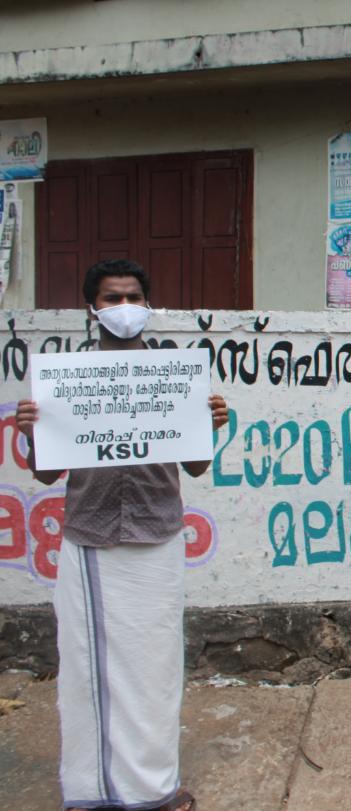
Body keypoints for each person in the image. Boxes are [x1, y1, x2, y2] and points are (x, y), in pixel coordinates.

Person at [15, 259, 228, 811]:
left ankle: (151, 790)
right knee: (88, 668)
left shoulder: (173, 376)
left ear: (148, 304)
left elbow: (198, 467)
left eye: (134, 295)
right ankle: (90, 792)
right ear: (92, 306)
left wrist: (210, 424)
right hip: (92, 538)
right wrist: (33, 430)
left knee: (154, 669)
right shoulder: (67, 380)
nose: (124, 306)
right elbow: (44, 473)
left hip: (157, 532)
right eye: (112, 297)